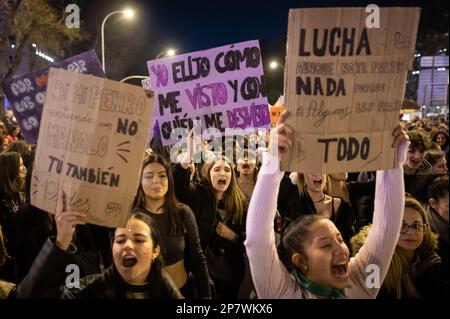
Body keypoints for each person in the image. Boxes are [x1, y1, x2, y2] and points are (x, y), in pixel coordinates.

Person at [245, 111, 409, 299]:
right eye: (325, 245)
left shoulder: (364, 283)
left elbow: (386, 232)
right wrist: (273, 160)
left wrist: (392, 161)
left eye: (339, 239)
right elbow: (258, 240)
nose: (340, 249)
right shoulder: (282, 294)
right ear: (300, 260)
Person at [16, 190, 183, 299]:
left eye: (138, 240)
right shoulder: (91, 290)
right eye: (120, 240)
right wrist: (61, 242)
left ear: (155, 251)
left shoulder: (167, 291)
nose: (128, 246)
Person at [173, 135, 247, 299]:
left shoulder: (241, 204)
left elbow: (250, 241)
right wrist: (189, 154)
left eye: (227, 170)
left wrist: (233, 236)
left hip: (231, 275)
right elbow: (179, 186)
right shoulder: (199, 194)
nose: (223, 173)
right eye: (217, 169)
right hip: (204, 274)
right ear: (208, 173)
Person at [133, 153, 211, 298]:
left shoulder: (183, 213)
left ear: (169, 179)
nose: (156, 181)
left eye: (162, 175)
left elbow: (198, 258)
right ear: (140, 181)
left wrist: (206, 296)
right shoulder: (131, 218)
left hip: (183, 292)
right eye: (149, 176)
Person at [351, 196, 443, 299]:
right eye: (401, 226)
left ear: (425, 229)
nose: (410, 232)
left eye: (416, 226)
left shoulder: (431, 260)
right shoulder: (373, 262)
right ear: (387, 227)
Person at [0, 152, 27, 282]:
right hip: (7, 262)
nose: (24, 167)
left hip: (19, 253)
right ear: (10, 169)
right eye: (20, 165)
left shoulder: (17, 193)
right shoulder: (1, 200)